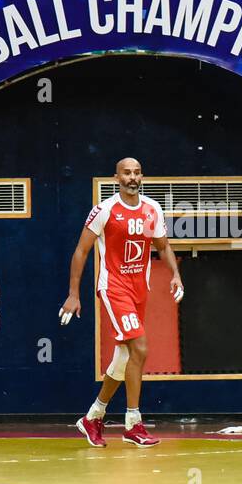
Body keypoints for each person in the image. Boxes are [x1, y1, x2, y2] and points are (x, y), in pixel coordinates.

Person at [60, 158, 183, 447]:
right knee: (140, 347)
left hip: (140, 289)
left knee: (124, 358)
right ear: (116, 177)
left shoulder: (152, 209)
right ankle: (133, 423)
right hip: (114, 288)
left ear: (142, 176)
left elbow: (163, 246)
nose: (132, 177)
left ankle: (93, 417)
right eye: (127, 173)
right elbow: (81, 251)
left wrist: (176, 275)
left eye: (137, 172)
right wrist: (74, 294)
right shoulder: (104, 210)